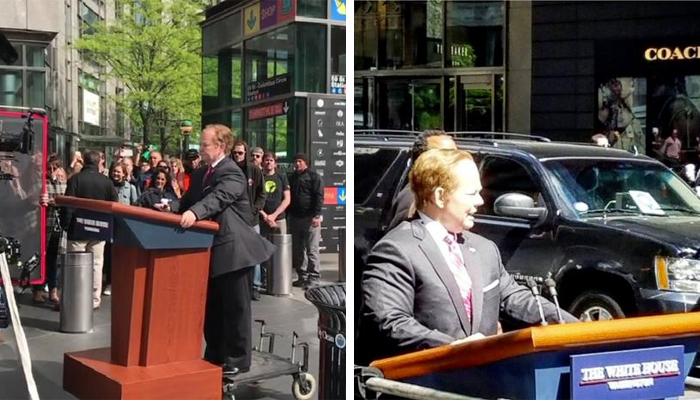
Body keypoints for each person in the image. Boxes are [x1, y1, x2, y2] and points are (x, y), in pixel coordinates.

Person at [358, 149, 577, 364]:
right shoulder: (396, 250)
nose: (480, 201)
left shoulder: (484, 249)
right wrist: (452, 348)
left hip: (483, 379)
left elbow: (516, 299)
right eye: (471, 194)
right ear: (440, 197)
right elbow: (390, 322)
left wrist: (574, 327)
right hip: (425, 380)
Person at [175, 124, 274, 376]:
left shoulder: (232, 172)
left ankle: (238, 359)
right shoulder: (200, 174)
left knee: (235, 306)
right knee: (212, 306)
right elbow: (188, 200)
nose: (201, 148)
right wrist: (169, 208)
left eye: (205, 144)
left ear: (220, 146)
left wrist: (194, 213)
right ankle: (215, 352)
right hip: (208, 250)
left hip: (233, 250)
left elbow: (218, 198)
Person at [59, 150, 118, 309]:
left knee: (76, 265)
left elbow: (68, 204)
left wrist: (66, 225)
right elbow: (114, 204)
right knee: (97, 264)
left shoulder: (75, 180)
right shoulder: (107, 182)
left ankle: (76, 298)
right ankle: (94, 300)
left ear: (84, 161)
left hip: (78, 228)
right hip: (100, 229)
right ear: (99, 162)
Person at [387, 130, 457, 231]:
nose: (456, 160)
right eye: (445, 155)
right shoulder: (414, 201)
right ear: (424, 162)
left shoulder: (441, 193)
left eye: (456, 154)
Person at [231, 140, 267, 300]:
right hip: (233, 218)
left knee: (254, 254)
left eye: (240, 152)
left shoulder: (253, 170)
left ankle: (255, 285)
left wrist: (254, 211)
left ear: (245, 153)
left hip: (251, 219)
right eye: (235, 152)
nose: (237, 155)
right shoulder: (229, 169)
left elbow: (262, 193)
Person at [33, 155, 67, 304]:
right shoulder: (41, 183)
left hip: (56, 226)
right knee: (41, 258)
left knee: (54, 259)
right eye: (49, 168)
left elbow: (64, 199)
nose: (51, 171)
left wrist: (54, 201)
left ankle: (53, 289)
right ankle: (38, 289)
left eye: (55, 168)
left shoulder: (62, 183)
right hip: (43, 224)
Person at [288, 153, 324, 287]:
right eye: (296, 161)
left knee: (312, 249)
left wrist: (316, 216)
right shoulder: (292, 178)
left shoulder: (314, 177)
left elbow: (319, 197)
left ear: (306, 163)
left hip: (310, 219)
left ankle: (314, 278)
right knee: (298, 250)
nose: (297, 164)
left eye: (300, 161)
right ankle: (302, 276)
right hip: (295, 218)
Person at [260, 151, 291, 235]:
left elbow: (287, 199)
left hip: (279, 219)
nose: (269, 162)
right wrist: (266, 217)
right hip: (263, 220)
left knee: (281, 246)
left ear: (275, 163)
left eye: (271, 160)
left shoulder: (282, 177)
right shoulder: (259, 178)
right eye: (266, 160)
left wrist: (274, 215)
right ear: (262, 163)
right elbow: (254, 200)